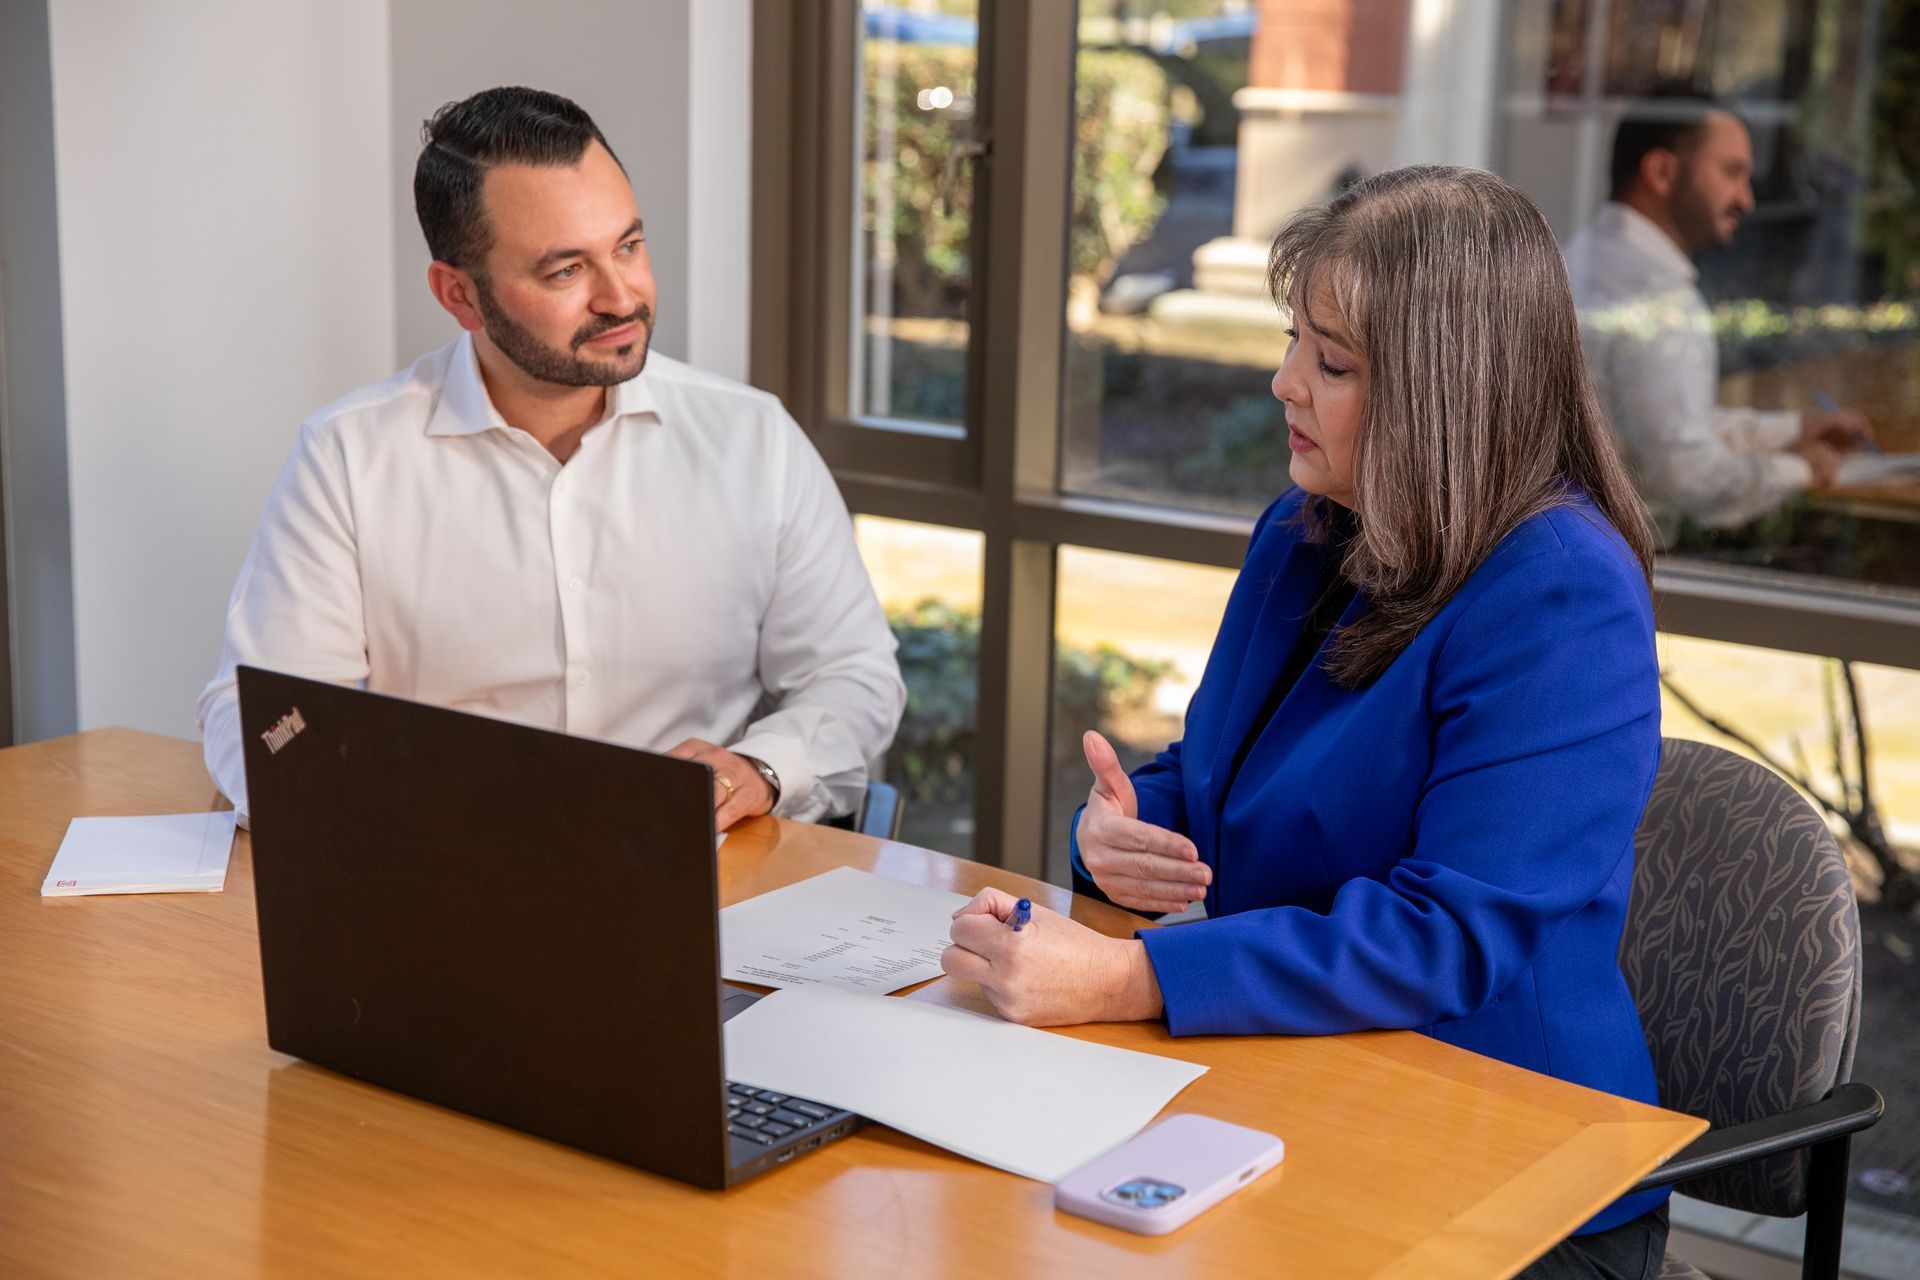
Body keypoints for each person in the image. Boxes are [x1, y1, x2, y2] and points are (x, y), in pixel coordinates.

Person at [942, 167, 1672, 1276]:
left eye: (1331, 363)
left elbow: (1449, 933)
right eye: (1296, 340)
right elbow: (1223, 765)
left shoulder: (1563, 591)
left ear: (1446, 390)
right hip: (1305, 1081)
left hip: (1515, 1151)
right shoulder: (1308, 523)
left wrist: (1131, 979)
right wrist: (1128, 833)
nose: (1285, 381)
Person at [197, 87, 904, 829]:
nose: (620, 297)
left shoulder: (753, 439)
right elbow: (258, 717)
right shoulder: (348, 457)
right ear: (460, 296)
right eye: (565, 271)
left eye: (628, 246)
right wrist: (390, 806)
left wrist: (762, 769)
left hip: (708, 879)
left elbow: (851, 676)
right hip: (449, 867)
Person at [1564, 94, 1874, 543]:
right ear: (1662, 172)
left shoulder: (1581, 257)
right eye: (1731, 173)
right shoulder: (1660, 300)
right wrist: (1802, 467)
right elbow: (1687, 473)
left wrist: (1789, 431)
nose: (1745, 199)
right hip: (1606, 563)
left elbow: (1654, 426)